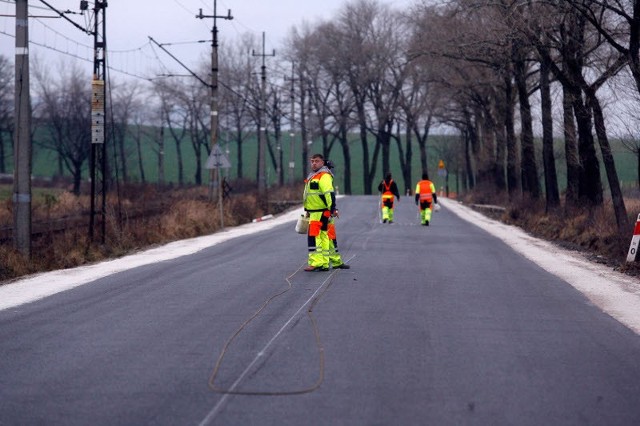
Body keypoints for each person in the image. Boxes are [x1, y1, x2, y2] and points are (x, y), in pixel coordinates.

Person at [302, 154, 350, 272]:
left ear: (322, 162)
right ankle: (333, 261)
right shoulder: (315, 176)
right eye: (312, 161)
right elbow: (312, 196)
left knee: (315, 237)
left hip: (320, 212)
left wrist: (332, 209)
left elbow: (329, 194)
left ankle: (317, 262)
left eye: (316, 161)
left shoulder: (323, 176)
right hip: (319, 212)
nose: (313, 163)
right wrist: (308, 210)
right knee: (328, 237)